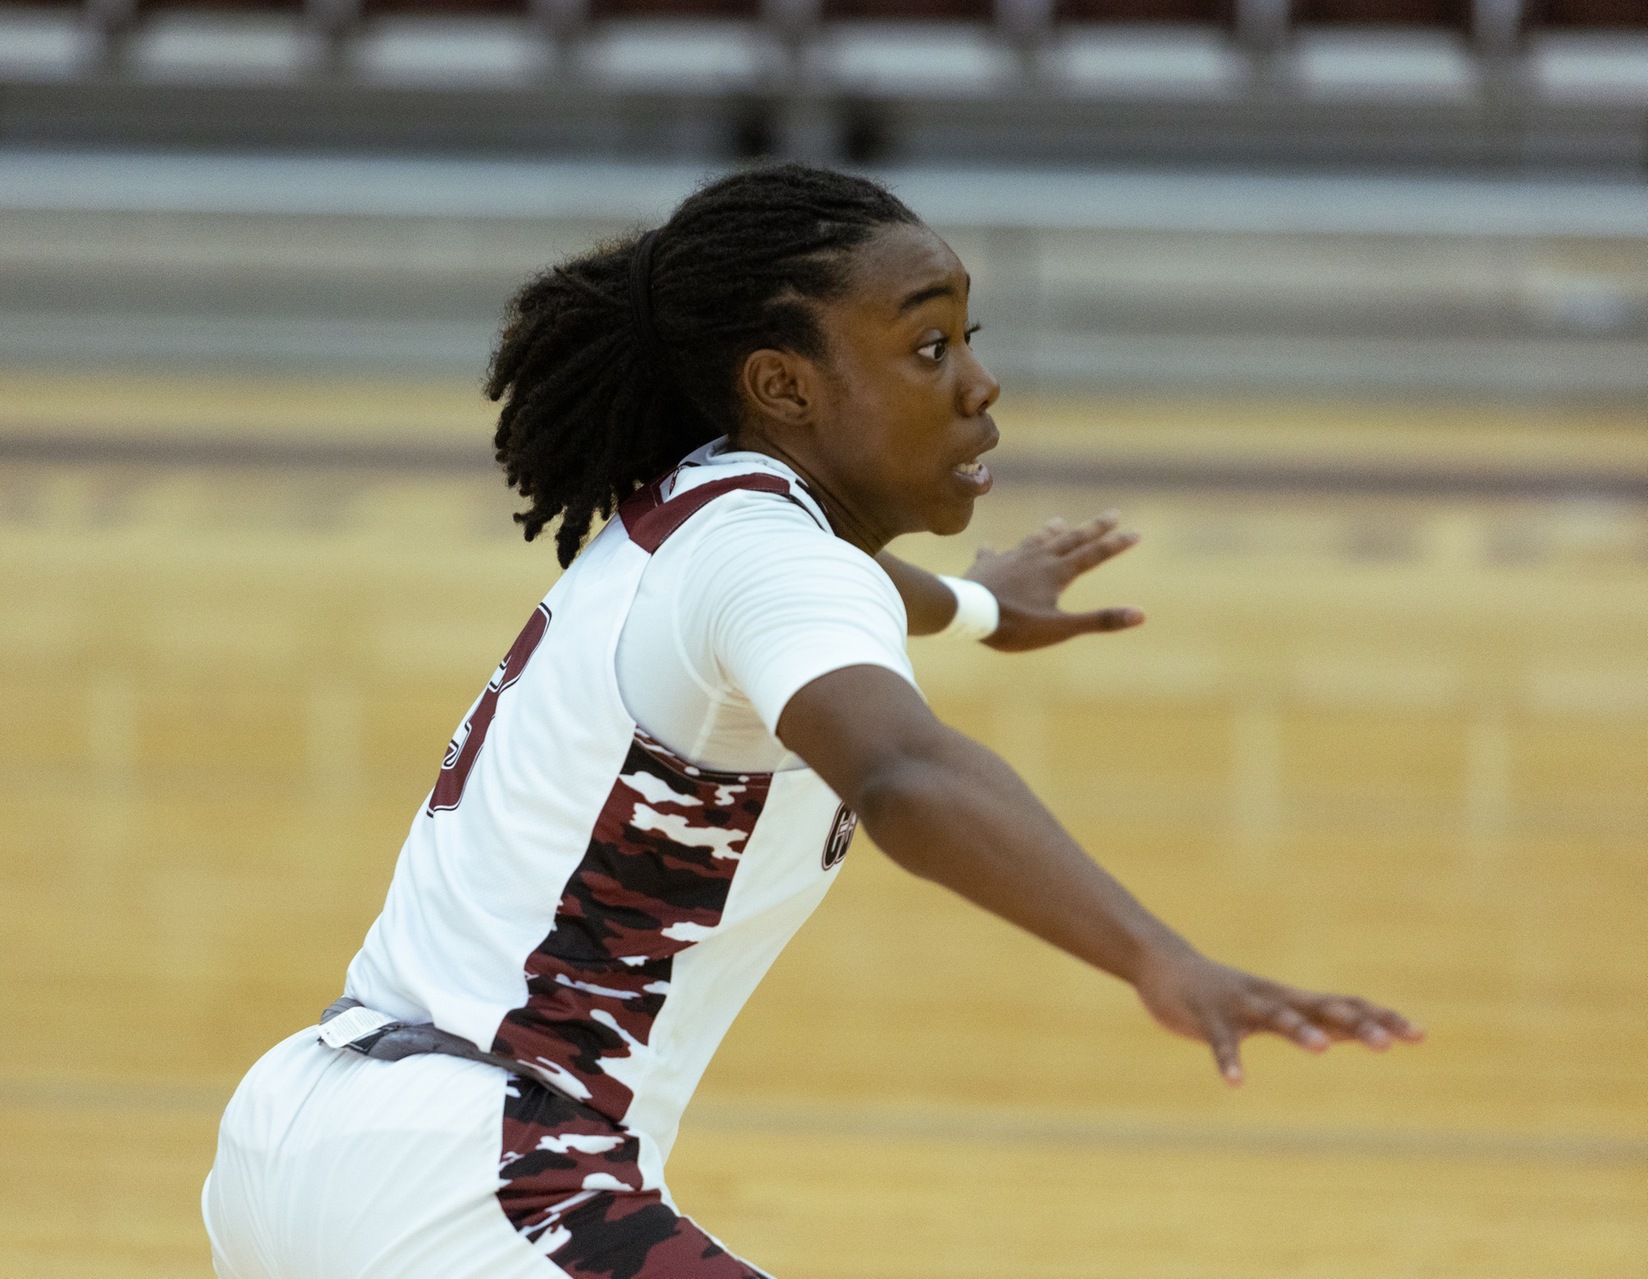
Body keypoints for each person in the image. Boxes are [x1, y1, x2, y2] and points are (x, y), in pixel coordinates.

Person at [202, 164, 1421, 1279]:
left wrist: (987, 606)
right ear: (783, 384)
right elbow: (901, 772)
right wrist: (1163, 956)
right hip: (491, 1174)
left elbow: (835, 591)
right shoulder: (775, 563)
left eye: (969, 339)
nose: (980, 383)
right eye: (928, 345)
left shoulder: (691, 515)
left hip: (303, 1133)